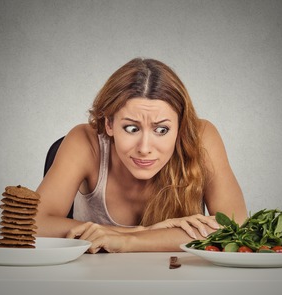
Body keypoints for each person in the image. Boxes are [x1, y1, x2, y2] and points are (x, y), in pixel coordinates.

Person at [35, 58, 247, 253]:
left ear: (180, 128)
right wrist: (144, 231)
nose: (144, 148)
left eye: (161, 130)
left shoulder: (201, 137)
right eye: (131, 129)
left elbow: (235, 227)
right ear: (109, 123)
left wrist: (130, 241)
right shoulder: (85, 141)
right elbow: (34, 224)